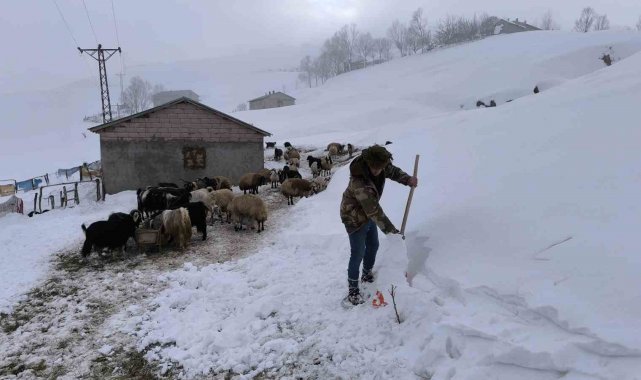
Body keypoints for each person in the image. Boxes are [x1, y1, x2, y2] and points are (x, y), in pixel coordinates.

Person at [339, 145, 418, 305]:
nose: (377, 171)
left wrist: (407, 179)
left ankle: (367, 274)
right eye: (374, 168)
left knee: (373, 245)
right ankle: (353, 291)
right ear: (368, 163)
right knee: (358, 253)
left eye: (380, 167)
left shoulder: (381, 165)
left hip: (368, 214)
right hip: (353, 217)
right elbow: (374, 211)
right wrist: (392, 232)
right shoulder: (359, 182)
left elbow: (392, 171)